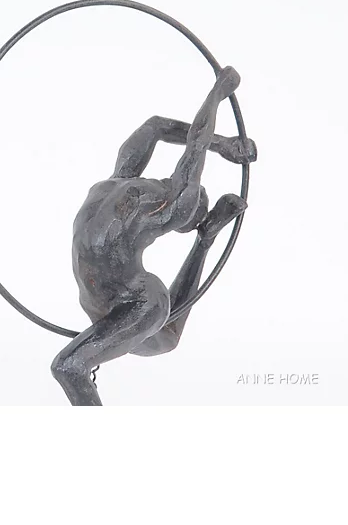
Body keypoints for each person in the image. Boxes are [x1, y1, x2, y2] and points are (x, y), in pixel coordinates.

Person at [51, 67, 257, 405]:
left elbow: (159, 128)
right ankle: (205, 238)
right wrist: (218, 95)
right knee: (165, 339)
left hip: (137, 302)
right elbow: (186, 139)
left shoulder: (121, 177)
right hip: (105, 300)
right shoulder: (177, 203)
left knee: (71, 366)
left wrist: (221, 120)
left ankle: (205, 240)